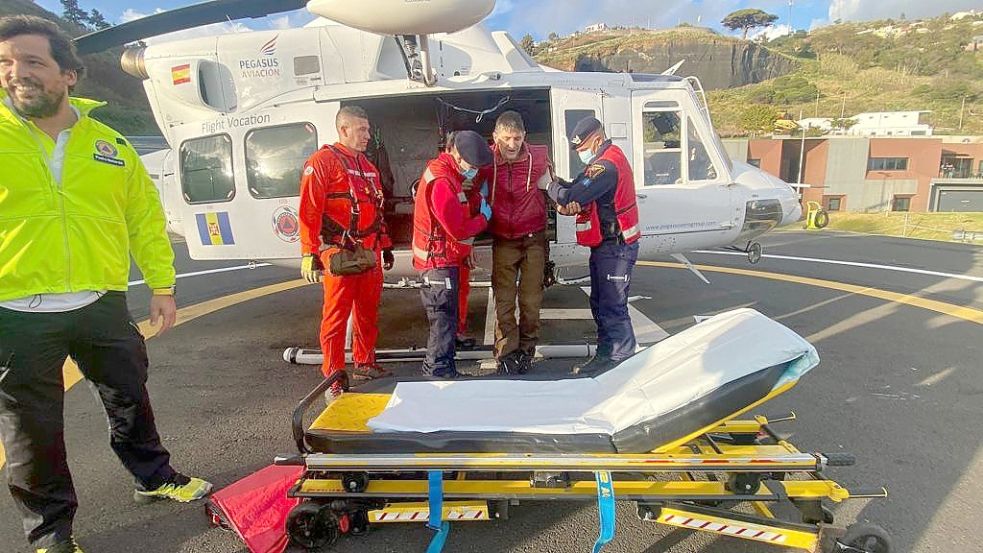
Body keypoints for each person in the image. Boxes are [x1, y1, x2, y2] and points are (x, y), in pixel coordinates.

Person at [0, 16, 211, 553]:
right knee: (32, 430)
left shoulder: (111, 145)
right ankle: (51, 533)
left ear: (69, 74)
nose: (16, 73)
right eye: (5, 63)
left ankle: (153, 477)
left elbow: (144, 218)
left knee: (129, 395)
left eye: (31, 61)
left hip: (101, 301)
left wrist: (162, 286)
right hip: (14, 310)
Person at [299, 105, 394, 398]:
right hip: (339, 254)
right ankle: (333, 375)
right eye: (362, 129)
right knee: (336, 317)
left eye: (368, 129)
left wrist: (386, 246)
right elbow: (309, 210)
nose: (368, 135)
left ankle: (364, 361)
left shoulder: (368, 167)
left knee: (367, 312)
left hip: (369, 253)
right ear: (343, 129)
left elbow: (376, 212)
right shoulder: (322, 162)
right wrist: (308, 252)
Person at [547, 116, 641, 375]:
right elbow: (577, 186)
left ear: (597, 140)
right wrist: (561, 186)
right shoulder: (604, 160)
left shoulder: (606, 167)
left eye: (581, 148)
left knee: (613, 306)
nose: (580, 154)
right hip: (606, 247)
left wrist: (549, 186)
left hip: (616, 248)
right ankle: (605, 356)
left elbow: (572, 195)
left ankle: (621, 362)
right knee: (600, 302)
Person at [476, 111, 554, 374]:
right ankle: (507, 353)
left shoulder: (539, 159)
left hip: (533, 237)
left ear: (525, 137)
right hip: (503, 239)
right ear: (496, 136)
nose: (512, 144)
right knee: (504, 301)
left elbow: (553, 189)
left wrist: (569, 200)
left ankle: (527, 350)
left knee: (531, 301)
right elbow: (468, 187)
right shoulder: (485, 160)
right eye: (506, 138)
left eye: (517, 138)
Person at [412, 130, 493, 378]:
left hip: (443, 257)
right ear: (456, 155)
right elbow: (457, 228)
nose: (474, 172)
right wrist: (483, 219)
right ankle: (437, 370)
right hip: (437, 261)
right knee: (442, 319)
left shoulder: (449, 174)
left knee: (446, 317)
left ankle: (444, 363)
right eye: (472, 166)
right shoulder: (442, 183)